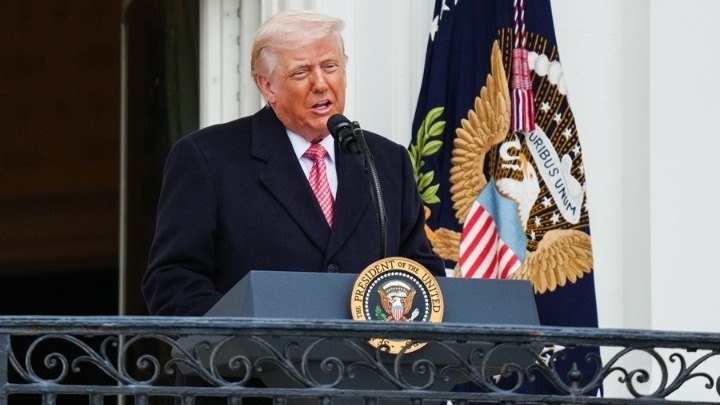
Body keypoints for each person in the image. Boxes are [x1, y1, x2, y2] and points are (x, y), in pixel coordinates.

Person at [142, 10, 443, 317]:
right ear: (267, 87)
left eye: (330, 67)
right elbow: (173, 283)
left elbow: (423, 277)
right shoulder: (206, 158)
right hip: (254, 349)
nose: (320, 83)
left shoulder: (388, 161)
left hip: (365, 350)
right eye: (301, 73)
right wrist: (246, 335)